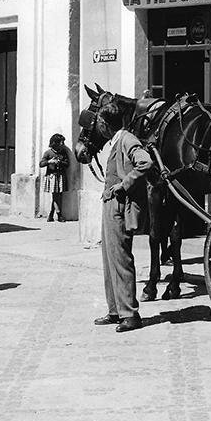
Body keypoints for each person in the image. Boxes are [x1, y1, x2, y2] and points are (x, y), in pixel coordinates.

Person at [93, 101, 152, 333]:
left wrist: (124, 184)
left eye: (99, 123)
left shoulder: (127, 139)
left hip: (119, 205)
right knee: (109, 259)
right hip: (109, 204)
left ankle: (130, 314)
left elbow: (145, 162)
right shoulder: (115, 140)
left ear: (106, 124)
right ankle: (115, 310)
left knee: (121, 259)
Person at [39, 133, 68, 222]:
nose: (62, 144)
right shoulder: (48, 153)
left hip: (60, 176)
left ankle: (51, 214)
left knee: (58, 195)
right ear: (55, 143)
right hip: (52, 177)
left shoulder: (63, 152)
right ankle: (59, 215)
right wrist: (49, 161)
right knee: (55, 195)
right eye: (61, 142)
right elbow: (41, 164)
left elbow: (67, 164)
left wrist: (60, 162)